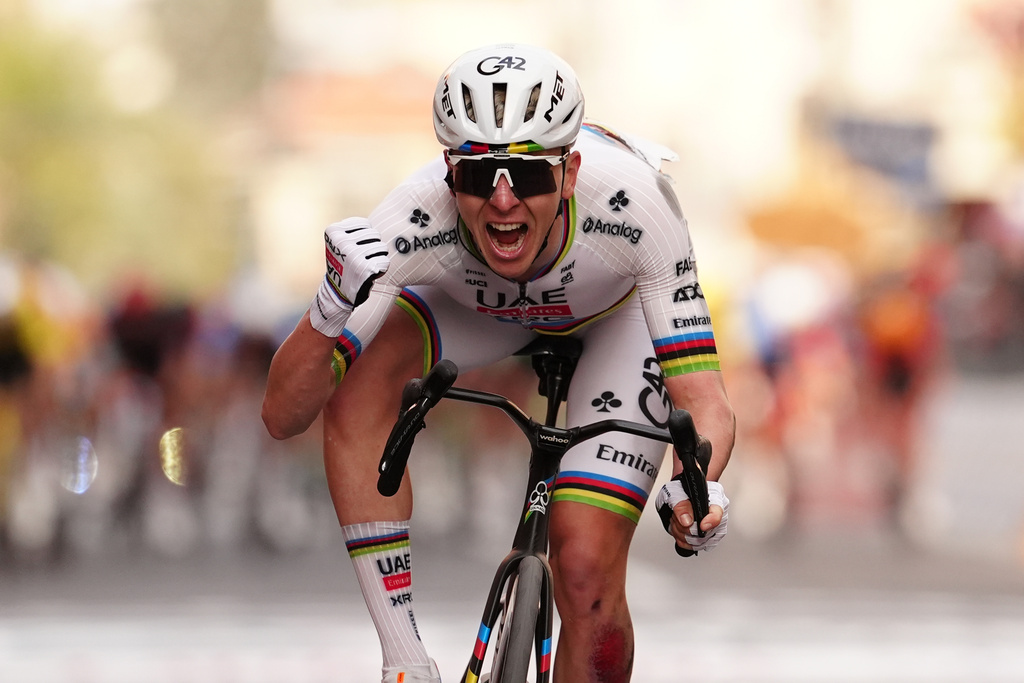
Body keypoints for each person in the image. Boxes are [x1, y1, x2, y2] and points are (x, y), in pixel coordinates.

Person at [263, 43, 735, 683]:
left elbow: (702, 397)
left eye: (532, 178)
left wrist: (695, 485)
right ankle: (403, 659)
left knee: (584, 570)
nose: (504, 202)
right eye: (480, 177)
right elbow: (284, 416)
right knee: (358, 381)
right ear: (450, 173)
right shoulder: (412, 218)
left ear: (569, 174)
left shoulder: (637, 204)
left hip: (613, 319)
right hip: (477, 306)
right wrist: (326, 308)